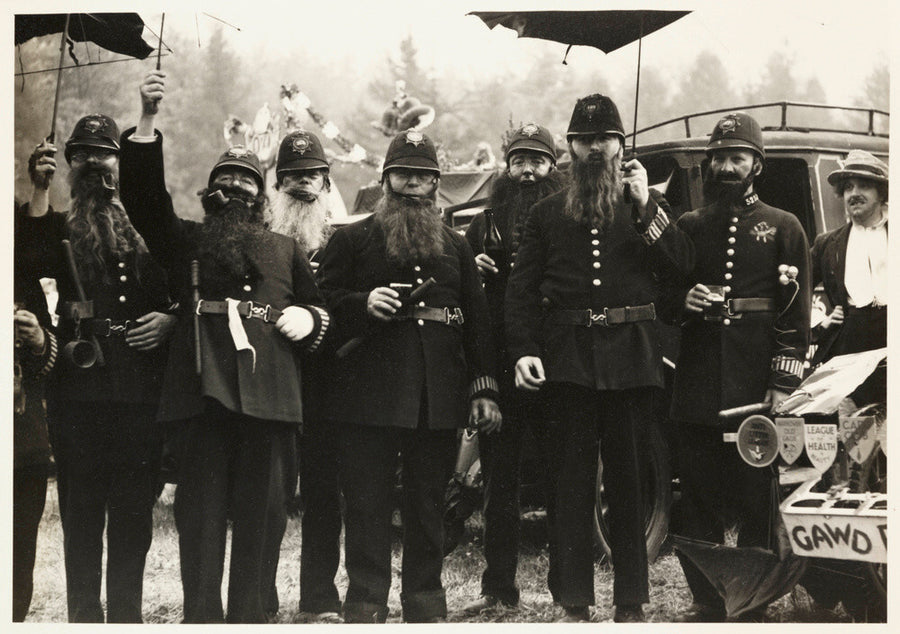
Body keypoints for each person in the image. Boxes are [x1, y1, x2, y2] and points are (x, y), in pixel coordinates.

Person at [119, 70, 331, 623]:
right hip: (201, 398)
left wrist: (308, 319)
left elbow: (319, 309)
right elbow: (142, 199)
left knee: (265, 520)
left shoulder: (286, 249)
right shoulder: (185, 240)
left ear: (262, 197)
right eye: (226, 180)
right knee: (201, 520)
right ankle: (203, 620)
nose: (235, 188)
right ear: (210, 193)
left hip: (272, 403)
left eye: (246, 182)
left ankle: (252, 618)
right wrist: (146, 119)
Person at [505, 94, 694, 623]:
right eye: (584, 140)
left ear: (620, 146)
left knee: (630, 480)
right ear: (569, 147)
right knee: (570, 479)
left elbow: (680, 268)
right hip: (567, 361)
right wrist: (523, 351)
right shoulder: (545, 214)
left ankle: (631, 598)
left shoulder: (643, 207)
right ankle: (572, 598)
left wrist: (647, 206)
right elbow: (520, 292)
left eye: (604, 139)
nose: (594, 149)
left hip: (632, 360)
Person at [316, 129, 501, 623]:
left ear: (436, 183)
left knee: (427, 505)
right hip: (368, 395)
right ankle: (366, 601)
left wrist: (483, 387)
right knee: (367, 503)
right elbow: (319, 304)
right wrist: (361, 304)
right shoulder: (351, 239)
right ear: (386, 180)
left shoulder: (457, 246)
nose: (414, 184)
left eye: (424, 176)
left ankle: (424, 601)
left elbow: (477, 320)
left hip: (435, 395)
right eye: (405, 174)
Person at [18, 117, 178, 622]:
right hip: (77, 391)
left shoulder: (149, 226)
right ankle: (83, 619)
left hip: (139, 394)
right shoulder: (58, 224)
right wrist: (38, 191)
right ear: (69, 165)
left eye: (104, 153)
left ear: (121, 163)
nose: (93, 162)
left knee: (133, 516)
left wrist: (171, 321)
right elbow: (26, 259)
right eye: (81, 153)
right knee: (81, 517)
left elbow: (184, 286)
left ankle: (126, 618)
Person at [669, 112, 811, 622]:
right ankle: (708, 601)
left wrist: (781, 381)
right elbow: (665, 298)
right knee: (697, 499)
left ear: (757, 164)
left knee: (757, 498)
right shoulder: (689, 226)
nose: (727, 167)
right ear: (708, 163)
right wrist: (685, 298)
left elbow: (796, 313)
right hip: (699, 385)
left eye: (738, 157)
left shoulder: (784, 226)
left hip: (756, 387)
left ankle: (751, 603)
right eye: (720, 158)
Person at [460, 123, 567, 613]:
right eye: (519, 160)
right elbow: (472, 309)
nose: (527, 171)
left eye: (538, 161)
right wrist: (475, 273)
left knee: (565, 479)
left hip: (557, 368)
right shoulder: (483, 224)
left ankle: (570, 592)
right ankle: (498, 591)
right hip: (503, 368)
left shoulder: (568, 218)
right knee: (499, 485)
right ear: (508, 166)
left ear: (553, 167)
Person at [265, 130, 343, 622]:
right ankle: (260, 594)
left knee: (323, 494)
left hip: (327, 385)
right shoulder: (259, 236)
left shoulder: (346, 241)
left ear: (326, 181)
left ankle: (318, 597)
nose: (301, 184)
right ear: (277, 184)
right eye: (291, 176)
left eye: (310, 175)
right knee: (268, 495)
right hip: (267, 382)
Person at [13, 178, 60, 621]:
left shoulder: (22, 279)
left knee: (17, 549)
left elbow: (50, 360)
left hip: (21, 446)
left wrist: (39, 338)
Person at [810, 150, 887, 404]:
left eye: (864, 186)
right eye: (848, 187)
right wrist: (820, 320)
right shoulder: (827, 244)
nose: (854, 193)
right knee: (856, 424)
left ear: (882, 193)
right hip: (850, 342)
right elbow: (796, 291)